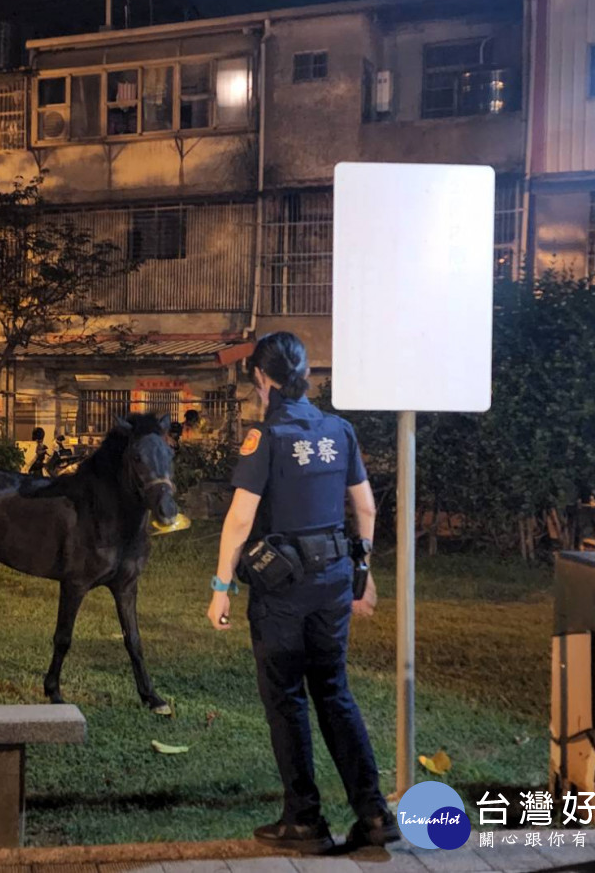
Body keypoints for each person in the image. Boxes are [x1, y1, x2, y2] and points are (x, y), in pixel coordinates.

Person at [205, 331, 396, 855]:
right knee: (333, 690)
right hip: (334, 579)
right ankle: (374, 813)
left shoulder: (265, 438)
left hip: (282, 589)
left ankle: (304, 819)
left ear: (263, 380)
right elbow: (367, 509)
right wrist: (363, 566)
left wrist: (221, 588)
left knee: (287, 697)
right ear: (305, 377)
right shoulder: (340, 430)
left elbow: (241, 518)